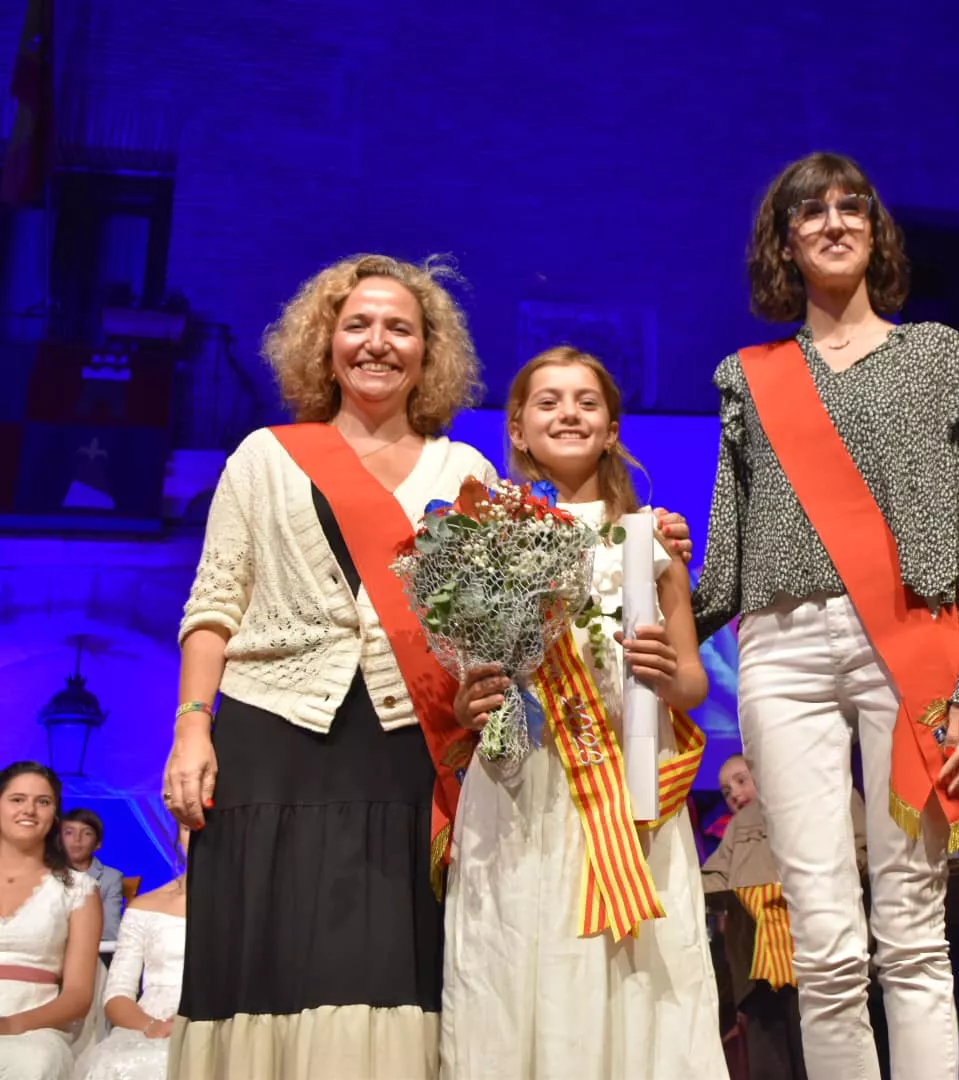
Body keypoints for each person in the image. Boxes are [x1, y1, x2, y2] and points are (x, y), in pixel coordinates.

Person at [691, 151, 959, 1080]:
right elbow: (723, 558)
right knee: (827, 942)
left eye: (852, 208)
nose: (834, 222)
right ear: (785, 242)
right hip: (782, 650)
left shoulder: (938, 356)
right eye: (811, 212)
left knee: (914, 933)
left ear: (875, 232)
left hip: (910, 644)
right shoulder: (749, 380)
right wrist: (629, 593)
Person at [162, 254, 499, 1079]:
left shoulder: (465, 472)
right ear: (326, 342)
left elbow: (484, 632)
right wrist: (190, 731)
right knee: (261, 948)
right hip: (265, 736)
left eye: (399, 328)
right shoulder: (263, 457)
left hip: (404, 748)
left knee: (386, 955)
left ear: (429, 351)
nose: (377, 344)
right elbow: (213, 607)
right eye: (358, 325)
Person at [440, 346, 727, 1079]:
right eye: (548, 401)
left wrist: (670, 676)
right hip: (524, 789)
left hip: (627, 787)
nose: (568, 413)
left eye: (586, 402)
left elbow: (693, 681)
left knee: (631, 970)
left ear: (611, 428)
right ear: (517, 427)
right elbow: (473, 675)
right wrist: (474, 699)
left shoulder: (651, 537)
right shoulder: (486, 538)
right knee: (516, 954)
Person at [702, 755, 867, 1080]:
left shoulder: (833, 796)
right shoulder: (738, 826)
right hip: (758, 974)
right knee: (769, 1069)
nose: (734, 793)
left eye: (740, 779)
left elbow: (861, 853)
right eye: (725, 791)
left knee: (825, 1064)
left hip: (819, 964)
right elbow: (711, 878)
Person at [0, 761, 102, 1080]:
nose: (29, 810)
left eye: (43, 802)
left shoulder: (78, 889)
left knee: (34, 1063)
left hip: (34, 1028)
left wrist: (9, 1025)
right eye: (17, 799)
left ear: (54, 816)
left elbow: (77, 996)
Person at [73, 828, 188, 1080]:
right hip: (150, 1024)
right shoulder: (146, 907)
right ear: (179, 836)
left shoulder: (253, 906)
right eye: (189, 829)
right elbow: (117, 995)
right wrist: (152, 1026)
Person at [59, 810, 123, 947]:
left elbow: (110, 930)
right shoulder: (46, 874)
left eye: (87, 833)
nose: (77, 839)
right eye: (69, 833)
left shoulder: (111, 877)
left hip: (95, 950)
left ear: (98, 843)